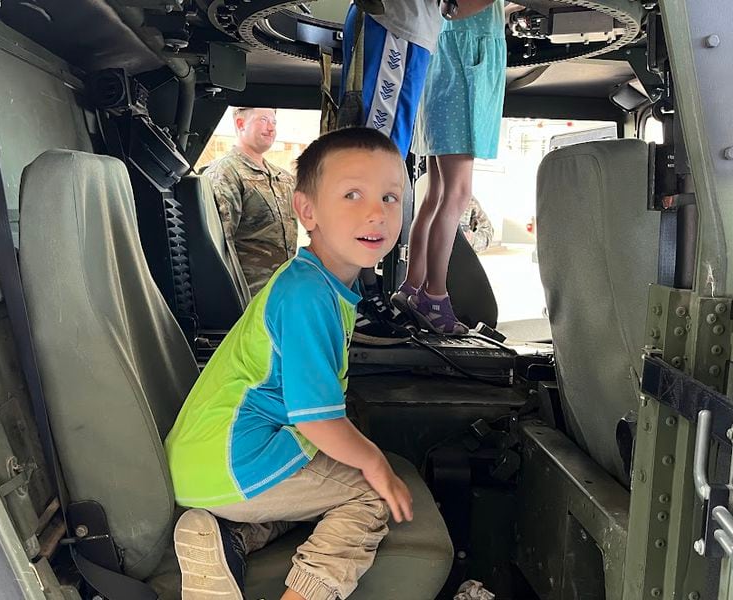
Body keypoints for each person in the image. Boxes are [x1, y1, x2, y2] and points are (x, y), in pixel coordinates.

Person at [168, 128, 413, 600]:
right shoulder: (307, 296)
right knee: (367, 496)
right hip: (238, 462)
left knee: (326, 482)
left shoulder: (318, 283)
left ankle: (225, 539)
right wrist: (375, 464)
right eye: (352, 194)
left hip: (209, 466)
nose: (376, 212)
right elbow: (319, 422)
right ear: (307, 211)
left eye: (390, 197)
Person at [393, 1, 521, 334]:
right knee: (458, 194)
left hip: (451, 66)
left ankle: (413, 285)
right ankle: (433, 297)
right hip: (462, 70)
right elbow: (453, 9)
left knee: (436, 194)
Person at [204, 107, 297, 295]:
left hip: (282, 294)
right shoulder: (225, 173)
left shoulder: (283, 177)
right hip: (247, 296)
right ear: (240, 124)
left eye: (274, 122)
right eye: (263, 120)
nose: (271, 128)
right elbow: (218, 247)